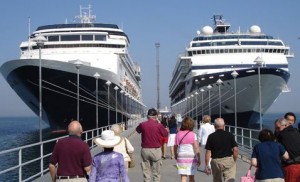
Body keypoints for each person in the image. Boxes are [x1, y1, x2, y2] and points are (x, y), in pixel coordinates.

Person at [136, 108, 168, 182]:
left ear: (147, 116)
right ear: (156, 116)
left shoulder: (143, 124)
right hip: (156, 150)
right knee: (156, 173)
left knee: (146, 172)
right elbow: (165, 134)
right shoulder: (159, 125)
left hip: (145, 150)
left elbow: (138, 130)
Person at [205, 118, 238, 182]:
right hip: (228, 160)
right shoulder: (229, 135)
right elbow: (235, 149)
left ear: (214, 126)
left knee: (217, 180)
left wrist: (207, 165)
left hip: (216, 161)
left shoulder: (211, 136)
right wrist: (234, 160)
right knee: (229, 180)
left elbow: (208, 152)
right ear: (224, 125)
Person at [174, 117, 200, 182]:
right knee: (191, 177)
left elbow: (175, 146)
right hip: (191, 158)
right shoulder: (193, 134)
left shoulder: (178, 134)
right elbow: (196, 148)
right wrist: (199, 159)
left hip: (181, 157)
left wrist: (175, 154)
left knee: (183, 177)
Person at [276, 118, 300, 182]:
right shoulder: (297, 132)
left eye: (278, 128)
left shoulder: (281, 136)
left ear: (285, 125)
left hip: (290, 166)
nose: (277, 130)